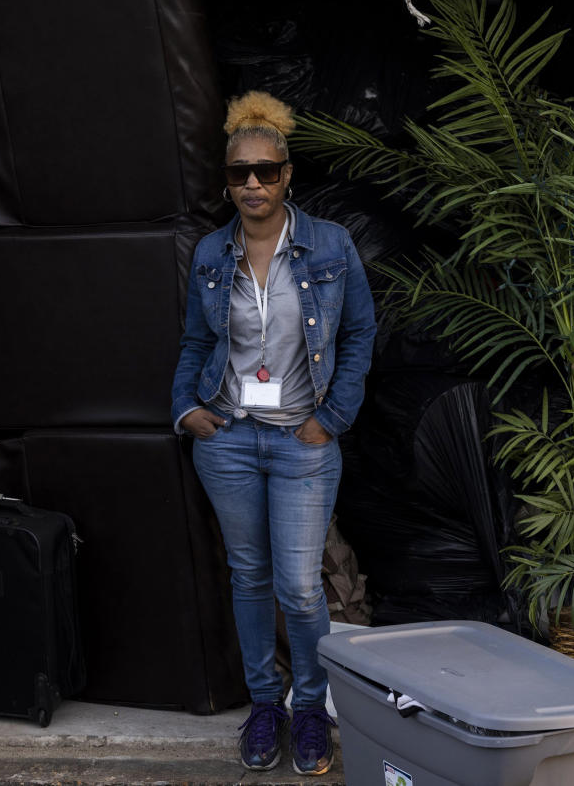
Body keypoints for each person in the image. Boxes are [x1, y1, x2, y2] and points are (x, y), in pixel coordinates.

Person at [170, 91, 376, 776]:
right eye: (239, 174)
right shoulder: (209, 252)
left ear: (288, 175)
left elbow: (358, 334)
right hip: (226, 438)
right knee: (249, 576)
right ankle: (266, 706)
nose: (252, 184)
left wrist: (332, 418)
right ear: (226, 182)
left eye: (266, 171)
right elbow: (196, 339)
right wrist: (187, 411)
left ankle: (311, 709)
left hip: (301, 441)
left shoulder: (329, 245)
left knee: (300, 586)